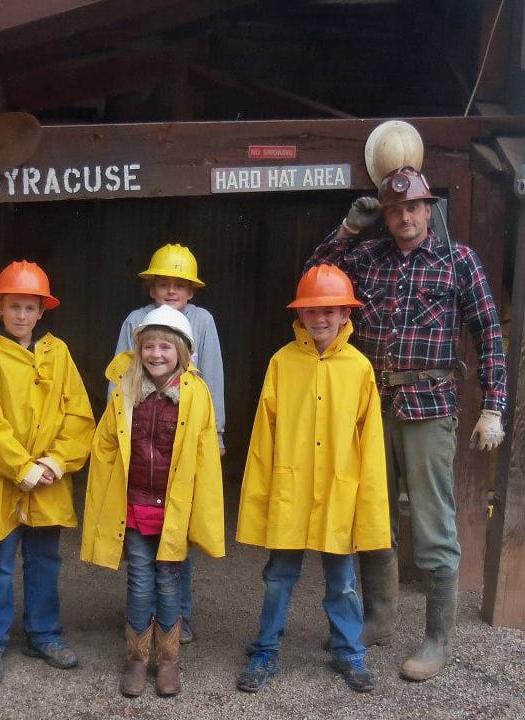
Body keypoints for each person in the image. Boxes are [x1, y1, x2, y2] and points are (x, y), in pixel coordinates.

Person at [308, 166, 507, 681]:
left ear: (429, 209)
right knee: (375, 515)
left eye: (413, 207)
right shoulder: (367, 257)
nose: (404, 218)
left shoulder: (458, 260)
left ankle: (438, 640)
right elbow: (313, 281)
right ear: (386, 214)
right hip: (372, 404)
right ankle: (378, 618)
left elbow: (488, 332)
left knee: (433, 524)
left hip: (430, 405)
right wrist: (350, 229)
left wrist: (494, 405)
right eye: (394, 210)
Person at [235, 264, 390, 694]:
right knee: (278, 576)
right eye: (311, 311)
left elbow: (371, 440)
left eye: (330, 310)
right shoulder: (282, 362)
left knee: (342, 581)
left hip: (339, 491)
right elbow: (263, 435)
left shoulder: (359, 368)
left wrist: (367, 502)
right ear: (299, 315)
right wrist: (262, 494)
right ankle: (265, 650)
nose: (319, 318)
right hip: (292, 489)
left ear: (345, 314)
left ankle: (349, 652)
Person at [82, 304, 225, 697]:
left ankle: (168, 660)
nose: (156, 354)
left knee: (168, 583)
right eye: (148, 346)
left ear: (182, 351)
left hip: (173, 512)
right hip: (134, 509)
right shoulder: (125, 393)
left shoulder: (196, 395)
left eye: (165, 346)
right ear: (138, 349)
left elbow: (205, 458)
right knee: (140, 581)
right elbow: (106, 448)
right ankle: (137, 658)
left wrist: (201, 512)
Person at [0, 260, 95, 685]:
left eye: (30, 308)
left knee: (44, 560)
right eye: (14, 306)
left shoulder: (59, 353)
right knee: (0, 562)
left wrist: (53, 463)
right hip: (7, 478)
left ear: (43, 311)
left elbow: (79, 415)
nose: (21, 315)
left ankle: (43, 634)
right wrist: (22, 467)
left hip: (49, 479)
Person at [111, 243, 225, 644]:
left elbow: (211, 375)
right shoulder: (134, 321)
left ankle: (181, 617)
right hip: (143, 431)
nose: (172, 291)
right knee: (143, 541)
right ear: (151, 288)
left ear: (191, 291)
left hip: (185, 430)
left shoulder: (203, 321)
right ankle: (143, 619)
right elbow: (120, 377)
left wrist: (217, 433)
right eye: (164, 284)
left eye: (180, 285)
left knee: (179, 534)